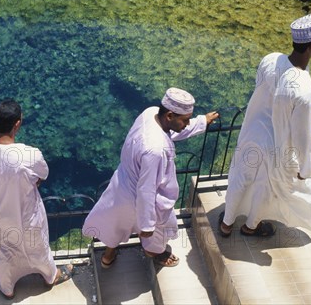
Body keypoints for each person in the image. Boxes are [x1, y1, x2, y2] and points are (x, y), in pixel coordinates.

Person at [82, 88, 219, 268]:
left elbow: (170, 132)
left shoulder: (150, 113)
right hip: (139, 198)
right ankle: (154, 252)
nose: (186, 124)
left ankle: (108, 257)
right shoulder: (155, 150)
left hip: (121, 185)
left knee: (115, 224)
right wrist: (146, 226)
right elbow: (146, 190)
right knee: (157, 232)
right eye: (185, 120)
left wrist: (200, 122)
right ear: (169, 115)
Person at [219, 13, 311, 237]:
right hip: (276, 145)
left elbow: (261, 90)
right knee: (264, 187)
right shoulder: (305, 90)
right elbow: (302, 136)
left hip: (253, 131)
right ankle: (250, 227)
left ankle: (226, 224)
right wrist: (304, 168)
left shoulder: (270, 59)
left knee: (241, 176)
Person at [0, 99, 73, 299]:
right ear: (17, 124)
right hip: (25, 215)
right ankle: (50, 276)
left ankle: (7, 289)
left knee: (2, 253)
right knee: (37, 247)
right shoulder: (30, 155)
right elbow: (42, 175)